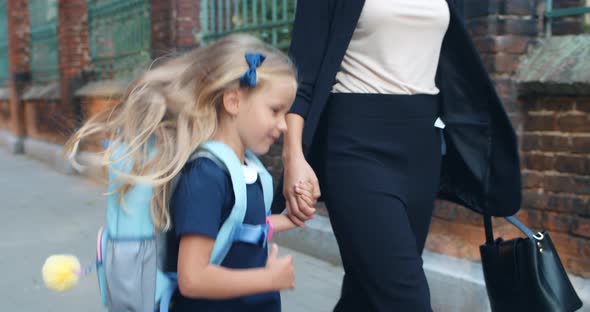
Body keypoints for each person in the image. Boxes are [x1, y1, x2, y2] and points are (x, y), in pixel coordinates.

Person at [273, 0, 522, 311]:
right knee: (405, 297)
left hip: (421, 149)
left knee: (366, 293)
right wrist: (293, 157)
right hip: (355, 145)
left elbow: (454, 62)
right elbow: (302, 77)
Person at [65, 34, 315, 312]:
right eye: (275, 110)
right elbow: (193, 278)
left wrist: (286, 220)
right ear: (232, 102)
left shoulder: (246, 170)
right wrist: (267, 279)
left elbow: (233, 230)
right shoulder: (205, 177)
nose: (283, 125)